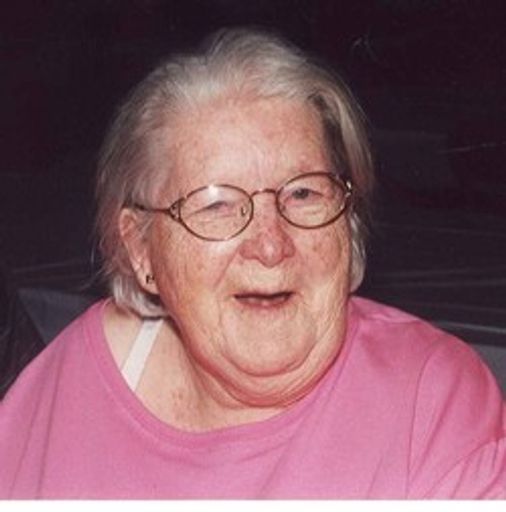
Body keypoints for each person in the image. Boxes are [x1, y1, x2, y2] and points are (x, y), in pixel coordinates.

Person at [0, 27, 504, 500]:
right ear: (140, 249)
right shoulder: (63, 390)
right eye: (216, 204)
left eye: (304, 193)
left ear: (348, 223)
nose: (270, 245)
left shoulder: (430, 408)